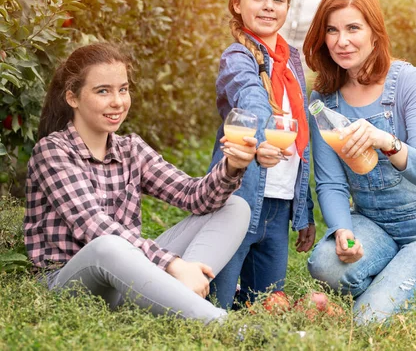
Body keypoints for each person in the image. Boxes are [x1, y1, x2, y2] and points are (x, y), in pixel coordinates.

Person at [24, 43, 256, 324]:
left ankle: (177, 299)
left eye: (123, 89)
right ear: (72, 98)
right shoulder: (53, 152)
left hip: (130, 273)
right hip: (73, 282)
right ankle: (223, 324)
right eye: (103, 91)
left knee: (235, 206)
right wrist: (173, 264)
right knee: (107, 245)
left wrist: (233, 166)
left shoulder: (130, 149)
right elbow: (94, 227)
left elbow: (194, 196)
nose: (118, 102)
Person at [303, 0, 416, 325]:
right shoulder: (323, 100)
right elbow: (331, 184)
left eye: (353, 28)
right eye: (332, 30)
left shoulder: (410, 82)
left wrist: (386, 140)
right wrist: (342, 232)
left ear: (374, 33)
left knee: (368, 321)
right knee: (325, 265)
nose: (342, 40)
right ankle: (398, 272)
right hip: (375, 225)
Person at [208, 0, 315, 309]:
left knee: (265, 306)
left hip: (279, 205)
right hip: (239, 197)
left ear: (286, 8)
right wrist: (263, 138)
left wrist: (305, 210)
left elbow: (301, 139)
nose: (269, 6)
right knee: (215, 306)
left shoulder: (292, 62)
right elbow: (250, 98)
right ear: (237, 4)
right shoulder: (237, 56)